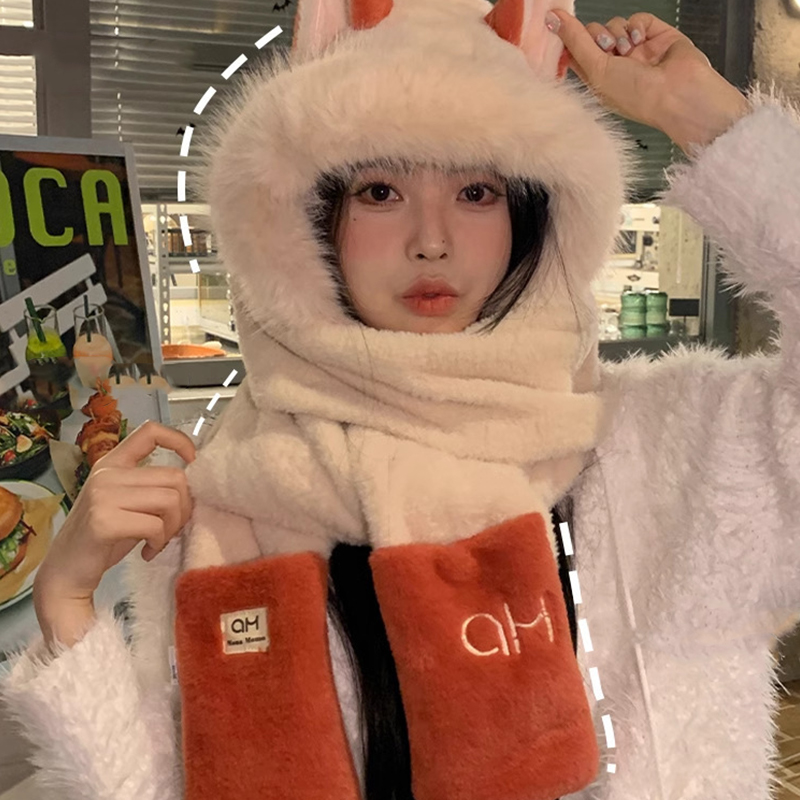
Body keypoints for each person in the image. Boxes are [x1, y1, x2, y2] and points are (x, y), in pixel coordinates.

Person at [2, 1, 798, 799]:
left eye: (477, 191)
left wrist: (712, 123)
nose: (432, 240)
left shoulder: (670, 452)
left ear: (535, 214)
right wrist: (66, 605)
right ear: (304, 222)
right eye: (381, 191)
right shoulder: (228, 505)